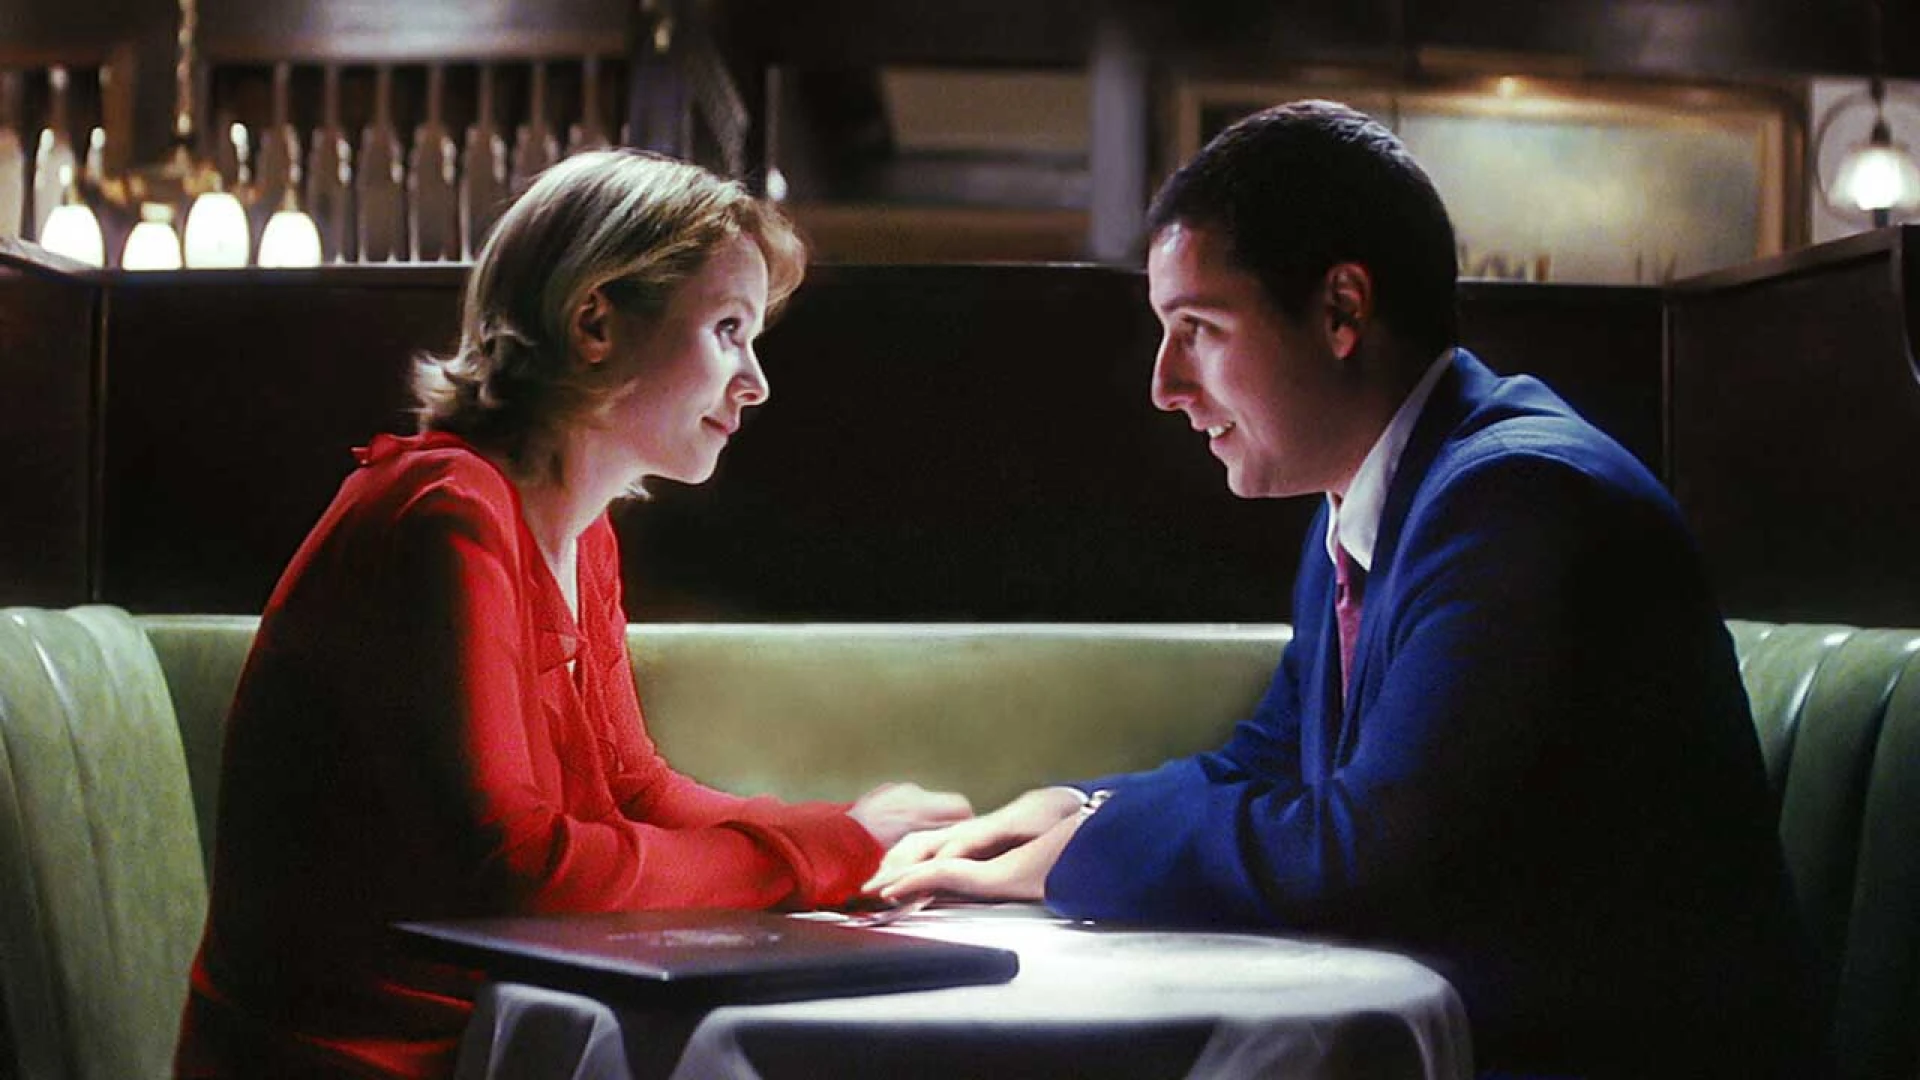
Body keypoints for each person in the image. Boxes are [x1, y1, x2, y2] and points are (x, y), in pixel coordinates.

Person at [867, 101, 1822, 1078]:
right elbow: (1275, 757)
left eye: (1198, 328)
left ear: (1341, 311)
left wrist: (1077, 856)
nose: (1165, 384)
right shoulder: (1380, 495)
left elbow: (1370, 855)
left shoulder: (1519, 500)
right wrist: (1070, 806)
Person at [174, 149, 971, 1079]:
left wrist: (854, 841)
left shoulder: (580, 533)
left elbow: (635, 788)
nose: (755, 381)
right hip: (351, 1060)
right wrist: (823, 851)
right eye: (727, 329)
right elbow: (520, 869)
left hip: (492, 1034)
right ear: (594, 322)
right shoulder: (445, 511)